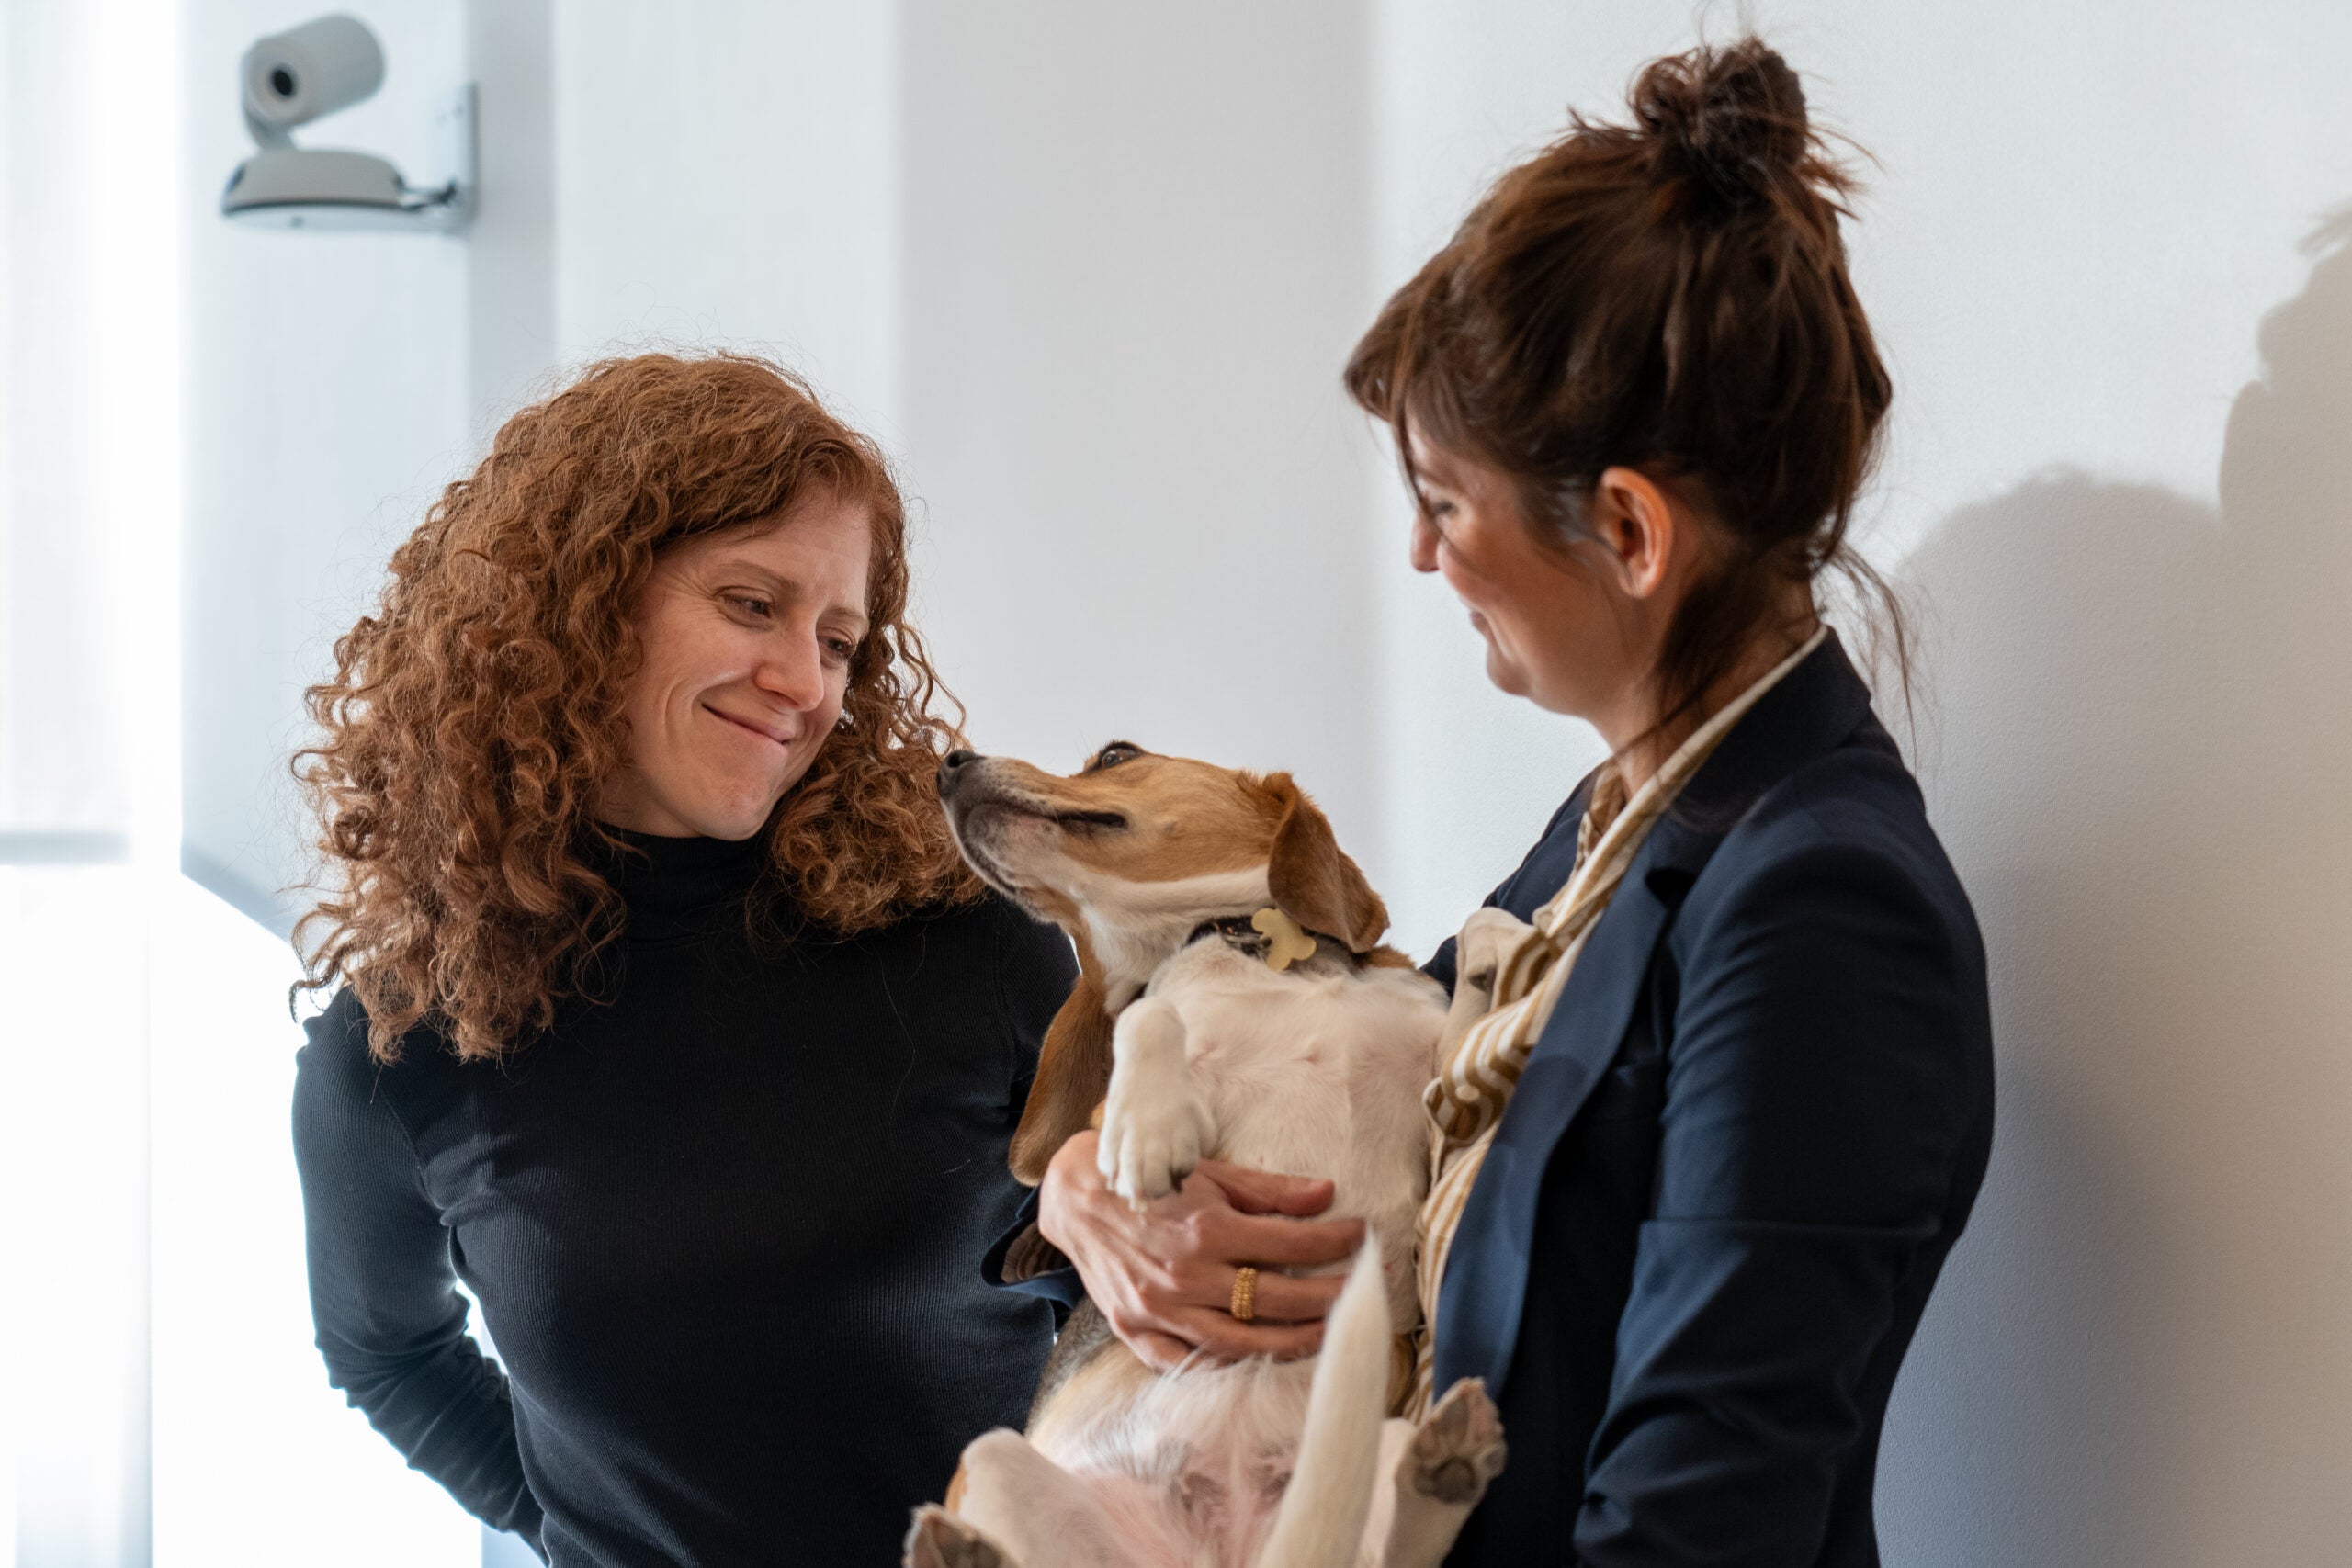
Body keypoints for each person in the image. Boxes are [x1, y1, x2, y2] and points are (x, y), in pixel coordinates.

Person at [997, 38, 1994, 1566]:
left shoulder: (1817, 906)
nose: (1421, 557)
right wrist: (1089, 1196)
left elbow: (1693, 1527)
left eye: (1445, 503)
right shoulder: (1612, 835)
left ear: (1629, 531)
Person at [289, 353, 1076, 1565]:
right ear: (580, 603)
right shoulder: (407, 1044)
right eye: (752, 606)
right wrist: (582, 1532)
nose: (802, 682)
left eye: (838, 638)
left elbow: (1131, 1288)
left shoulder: (969, 936)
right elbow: (384, 1351)